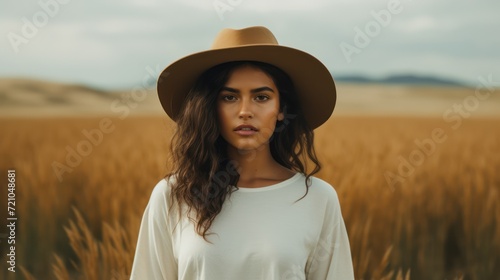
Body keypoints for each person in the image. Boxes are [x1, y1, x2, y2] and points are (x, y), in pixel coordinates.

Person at [130, 26, 354, 280]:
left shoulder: (318, 199)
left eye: (261, 97)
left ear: (282, 108)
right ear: (210, 107)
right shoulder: (173, 196)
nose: (245, 111)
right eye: (229, 97)